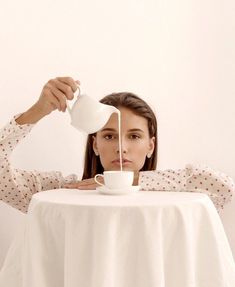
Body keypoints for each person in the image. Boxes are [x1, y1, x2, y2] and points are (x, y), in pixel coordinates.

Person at [0, 77, 234, 214]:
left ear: (150, 146)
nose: (121, 147)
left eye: (134, 136)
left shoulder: (171, 197)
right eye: (110, 136)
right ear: (95, 145)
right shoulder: (65, 191)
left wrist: (134, 182)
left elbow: (224, 188)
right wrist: (37, 111)